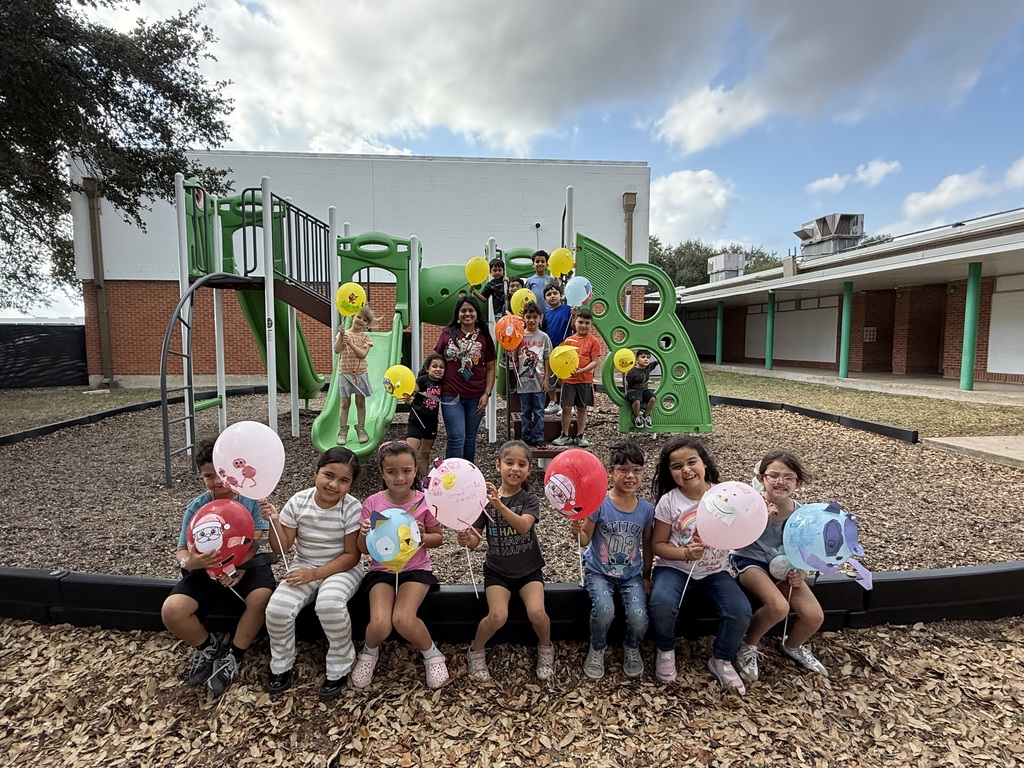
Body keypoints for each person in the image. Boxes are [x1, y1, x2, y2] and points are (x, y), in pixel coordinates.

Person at [161, 439, 275, 697]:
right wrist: (189, 563)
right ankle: (206, 646)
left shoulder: (251, 499)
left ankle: (234, 654)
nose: (217, 482)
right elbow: (182, 549)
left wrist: (239, 569)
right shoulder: (196, 506)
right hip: (206, 568)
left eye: (221, 474)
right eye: (208, 476)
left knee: (261, 597)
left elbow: (254, 542)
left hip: (244, 565)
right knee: (172, 611)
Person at [648, 437, 752, 694]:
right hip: (673, 567)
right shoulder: (669, 501)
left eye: (692, 462)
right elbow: (657, 545)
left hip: (714, 571)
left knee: (740, 611)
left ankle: (722, 659)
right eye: (676, 466)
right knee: (661, 603)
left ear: (704, 463)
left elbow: (743, 530)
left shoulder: (725, 496)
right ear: (669, 472)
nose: (686, 470)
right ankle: (665, 649)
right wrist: (684, 553)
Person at [260, 447, 364, 701]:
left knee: (329, 604)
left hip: (342, 568)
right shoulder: (299, 501)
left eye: (343, 480)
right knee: (277, 610)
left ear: (350, 485)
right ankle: (282, 663)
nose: (333, 484)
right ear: (316, 472)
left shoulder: (351, 508)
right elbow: (281, 547)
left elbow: (352, 556)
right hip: (304, 563)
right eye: (328, 475)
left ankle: (340, 662)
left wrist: (315, 574)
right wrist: (274, 521)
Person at [353, 441, 449, 689]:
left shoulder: (424, 501)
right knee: (380, 623)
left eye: (406, 470)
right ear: (382, 473)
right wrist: (364, 533)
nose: (399, 478)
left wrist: (421, 537)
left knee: (404, 619)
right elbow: (363, 549)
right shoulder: (372, 504)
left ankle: (432, 654)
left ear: (416, 470)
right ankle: (369, 652)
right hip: (381, 572)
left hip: (415, 571)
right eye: (392, 472)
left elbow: (438, 538)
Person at [457, 440, 555, 682]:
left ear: (529, 471)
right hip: (497, 572)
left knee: (537, 613)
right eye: (509, 463)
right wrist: (464, 538)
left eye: (522, 464)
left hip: (529, 570)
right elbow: (474, 541)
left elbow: (523, 527)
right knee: (497, 616)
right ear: (498, 465)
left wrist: (500, 506)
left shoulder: (529, 499)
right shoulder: (485, 502)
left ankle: (546, 647)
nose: (515, 468)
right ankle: (476, 649)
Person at [731, 451, 827, 682]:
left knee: (814, 617)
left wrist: (802, 571)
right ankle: (747, 644)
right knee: (778, 607)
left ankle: (793, 645)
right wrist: (762, 518)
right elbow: (735, 539)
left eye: (788, 477)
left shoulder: (801, 513)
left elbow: (807, 549)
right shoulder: (751, 504)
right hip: (750, 560)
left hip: (785, 565)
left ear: (798, 483)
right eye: (773, 475)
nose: (780, 482)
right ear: (761, 478)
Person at [571, 440, 654, 680]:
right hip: (599, 571)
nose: (631, 476)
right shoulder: (599, 503)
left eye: (637, 470)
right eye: (623, 470)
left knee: (639, 616)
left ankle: (632, 646)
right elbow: (585, 539)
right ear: (610, 472)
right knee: (604, 610)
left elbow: (647, 544)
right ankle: (597, 648)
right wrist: (576, 528)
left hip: (631, 575)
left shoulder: (646, 509)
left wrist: (646, 575)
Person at [434, 296, 497, 461]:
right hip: (451, 393)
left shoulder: (484, 336)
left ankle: (468, 477)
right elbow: (435, 359)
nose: (467, 314)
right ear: (457, 314)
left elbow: (490, 368)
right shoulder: (447, 334)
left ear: (477, 313)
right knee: (456, 437)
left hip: (476, 396)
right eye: (463, 310)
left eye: (471, 310)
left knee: (469, 439)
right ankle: (452, 477)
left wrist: (487, 394)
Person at [552, 307, 601, 448]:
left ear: (591, 324)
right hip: (569, 381)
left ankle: (580, 435)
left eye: (587, 323)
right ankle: (565, 435)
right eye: (581, 322)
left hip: (584, 380)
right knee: (566, 407)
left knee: (581, 408)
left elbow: (595, 361)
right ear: (574, 322)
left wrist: (582, 371)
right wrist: (560, 375)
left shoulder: (594, 341)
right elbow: (560, 359)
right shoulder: (568, 341)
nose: (583, 325)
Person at [334, 305, 375, 445]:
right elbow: (337, 350)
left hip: (360, 374)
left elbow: (362, 354)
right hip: (345, 373)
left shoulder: (366, 338)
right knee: (345, 403)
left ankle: (361, 429)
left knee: (360, 403)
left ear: (367, 324)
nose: (360, 320)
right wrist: (341, 337)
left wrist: (351, 343)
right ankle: (343, 431)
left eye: (364, 320)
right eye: (358, 317)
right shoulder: (344, 334)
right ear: (353, 317)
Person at [513, 301, 552, 447]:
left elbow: (547, 358)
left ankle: (538, 437)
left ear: (540, 318)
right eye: (528, 317)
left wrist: (547, 379)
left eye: (534, 317)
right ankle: (526, 437)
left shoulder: (544, 337)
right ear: (523, 318)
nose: (531, 320)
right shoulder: (519, 336)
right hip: (523, 381)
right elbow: (514, 355)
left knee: (539, 411)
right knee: (525, 411)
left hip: (539, 380)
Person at [405, 353, 445, 477]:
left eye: (441, 367)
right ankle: (409, 478)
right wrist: (408, 399)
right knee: (410, 451)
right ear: (427, 368)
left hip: (431, 423)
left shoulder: (444, 383)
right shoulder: (422, 380)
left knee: (425, 452)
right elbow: (411, 393)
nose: (438, 369)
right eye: (434, 366)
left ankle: (422, 480)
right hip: (416, 420)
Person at [541, 283, 573, 415]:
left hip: (565, 349)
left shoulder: (567, 310)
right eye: (548, 294)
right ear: (545, 299)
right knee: (551, 377)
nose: (552, 296)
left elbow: (573, 327)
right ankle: (553, 402)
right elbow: (544, 332)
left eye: (555, 293)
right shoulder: (546, 315)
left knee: (566, 377)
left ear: (561, 295)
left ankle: (566, 403)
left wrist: (575, 315)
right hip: (552, 350)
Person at [624, 348, 656, 429]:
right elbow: (627, 385)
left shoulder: (648, 367)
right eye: (643, 357)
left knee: (652, 398)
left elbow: (660, 360)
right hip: (633, 390)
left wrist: (660, 348)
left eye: (648, 357)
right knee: (637, 401)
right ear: (637, 359)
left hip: (643, 390)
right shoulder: (632, 371)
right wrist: (623, 375)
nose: (646, 359)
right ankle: (637, 417)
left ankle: (646, 416)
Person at [524, 250, 552, 316]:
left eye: (542, 261)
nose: (540, 264)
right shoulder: (529, 280)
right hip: (534, 314)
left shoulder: (551, 279)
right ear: (533, 265)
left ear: (547, 264)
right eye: (537, 262)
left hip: (549, 312)